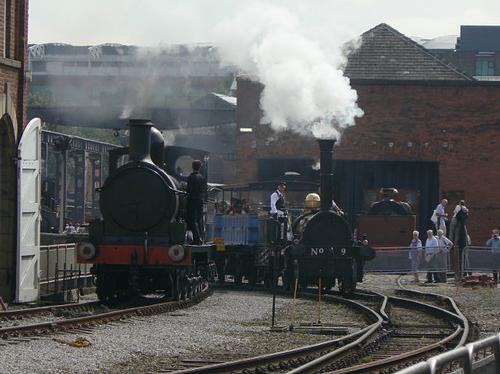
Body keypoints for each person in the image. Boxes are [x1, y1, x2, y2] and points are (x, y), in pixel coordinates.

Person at [186, 160, 206, 245]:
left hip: (192, 200)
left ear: (192, 167)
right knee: (199, 219)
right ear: (199, 167)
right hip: (200, 200)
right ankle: (201, 237)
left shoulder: (191, 177)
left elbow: (189, 190)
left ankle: (197, 239)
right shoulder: (202, 177)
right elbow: (203, 189)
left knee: (192, 220)